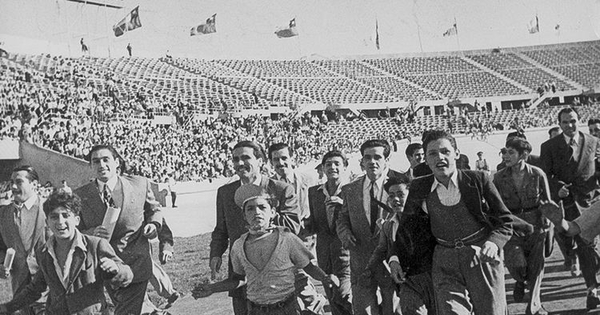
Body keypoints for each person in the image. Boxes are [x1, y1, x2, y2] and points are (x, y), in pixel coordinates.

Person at [395, 130, 524, 315]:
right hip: (444, 261)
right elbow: (406, 228)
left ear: (456, 153)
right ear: (426, 159)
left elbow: (505, 220)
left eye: (445, 151)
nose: (440, 158)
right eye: (432, 154)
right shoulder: (419, 187)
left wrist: (493, 244)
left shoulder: (478, 179)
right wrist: (395, 259)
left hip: (481, 257)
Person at [193, 185, 339, 315]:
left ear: (273, 213)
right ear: (244, 216)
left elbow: (308, 266)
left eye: (262, 207)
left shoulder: (287, 239)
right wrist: (213, 288)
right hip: (255, 309)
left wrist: (325, 277)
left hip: (287, 308)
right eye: (250, 209)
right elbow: (239, 279)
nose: (257, 212)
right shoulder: (238, 246)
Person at [0, 191, 133, 315]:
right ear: (47, 222)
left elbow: (128, 275)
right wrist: (8, 307)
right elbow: (36, 288)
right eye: (54, 217)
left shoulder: (95, 245)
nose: (60, 222)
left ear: (76, 220)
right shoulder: (44, 252)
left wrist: (116, 269)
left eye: (65, 215)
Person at [209, 140, 301, 315]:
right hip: (241, 275)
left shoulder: (281, 189)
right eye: (235, 159)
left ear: (260, 161)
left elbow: (292, 225)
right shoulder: (225, 192)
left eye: (245, 157)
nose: (240, 163)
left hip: (276, 277)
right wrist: (215, 254)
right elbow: (221, 230)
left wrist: (261, 214)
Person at [74, 144, 163, 315]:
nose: (102, 165)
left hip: (136, 262)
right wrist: (90, 233)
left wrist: (154, 225)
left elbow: (155, 210)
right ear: (90, 166)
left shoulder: (139, 184)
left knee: (127, 310)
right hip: (104, 266)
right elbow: (75, 230)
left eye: (106, 159)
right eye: (96, 161)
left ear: (116, 162)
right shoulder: (80, 195)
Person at [336, 139, 408, 315]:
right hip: (361, 261)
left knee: (394, 310)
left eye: (377, 157)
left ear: (387, 160)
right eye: (367, 157)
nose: (372, 162)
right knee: (363, 310)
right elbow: (342, 218)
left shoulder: (401, 185)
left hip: (392, 261)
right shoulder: (350, 189)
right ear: (362, 161)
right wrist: (345, 234)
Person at [540, 107, 600, 309]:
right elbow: (545, 176)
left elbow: (597, 169)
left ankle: (592, 285)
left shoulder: (592, 142)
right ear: (560, 124)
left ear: (578, 120)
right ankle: (592, 286)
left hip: (590, 201)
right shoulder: (548, 146)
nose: (570, 125)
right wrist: (558, 189)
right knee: (582, 244)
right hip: (566, 205)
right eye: (565, 122)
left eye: (573, 121)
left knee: (587, 246)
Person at [493, 137, 551, 315]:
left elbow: (547, 201)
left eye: (511, 152)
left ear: (523, 154)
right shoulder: (498, 177)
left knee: (536, 268)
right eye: (505, 151)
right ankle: (520, 280)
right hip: (512, 227)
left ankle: (534, 308)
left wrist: (547, 222)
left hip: (536, 226)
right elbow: (495, 205)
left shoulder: (537, 173)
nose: (506, 155)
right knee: (516, 264)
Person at [268, 142, 325, 314]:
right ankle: (316, 305)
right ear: (270, 163)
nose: (281, 163)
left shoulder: (310, 179)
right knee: (299, 278)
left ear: (292, 158)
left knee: (304, 276)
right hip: (283, 241)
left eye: (284, 158)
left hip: (308, 237)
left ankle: (315, 304)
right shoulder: (269, 186)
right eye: (276, 159)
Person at [368, 177, 436, 315]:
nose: (396, 200)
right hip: (407, 282)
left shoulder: (426, 219)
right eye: (391, 196)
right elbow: (382, 249)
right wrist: (368, 270)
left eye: (400, 195)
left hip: (432, 278)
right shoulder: (388, 226)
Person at [306, 150, 353, 315]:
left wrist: (342, 205)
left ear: (345, 167)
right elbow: (314, 224)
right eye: (328, 164)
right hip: (324, 255)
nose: (332, 167)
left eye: (337, 163)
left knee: (345, 296)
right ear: (323, 169)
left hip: (347, 254)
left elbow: (358, 221)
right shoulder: (314, 192)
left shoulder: (352, 190)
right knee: (333, 298)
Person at [0, 166, 50, 315]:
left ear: (34, 184)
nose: (13, 187)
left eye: (19, 182)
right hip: (19, 286)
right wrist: (2, 263)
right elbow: (1, 246)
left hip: (49, 286)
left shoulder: (51, 209)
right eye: (12, 182)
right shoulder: (3, 213)